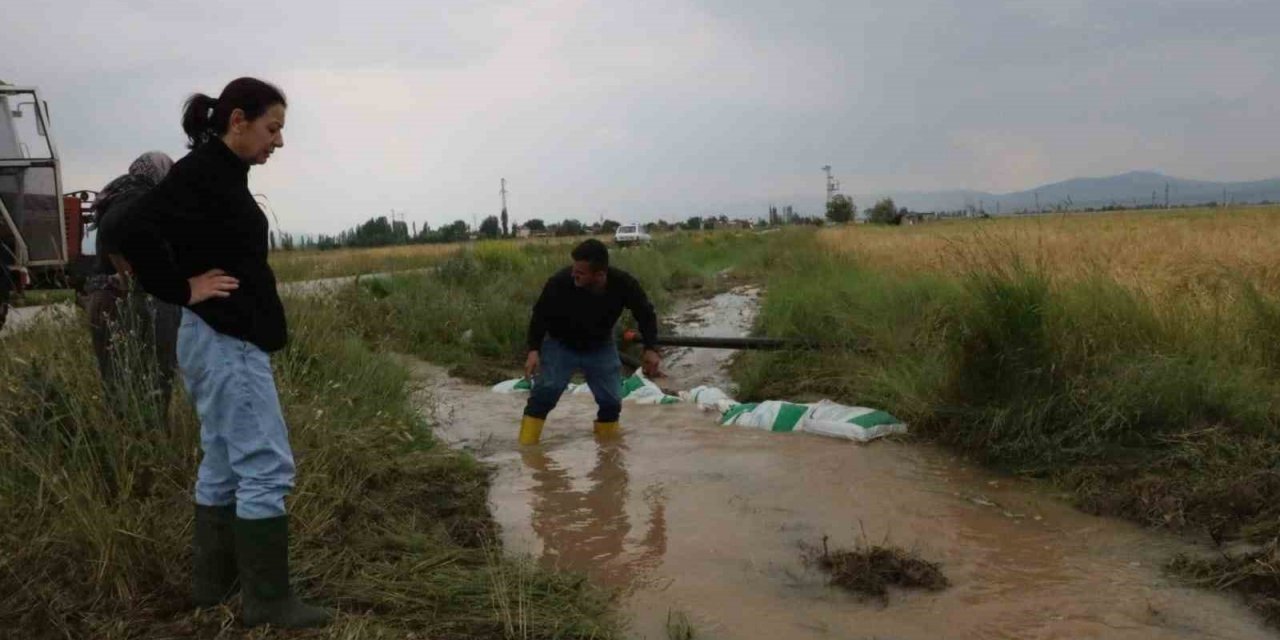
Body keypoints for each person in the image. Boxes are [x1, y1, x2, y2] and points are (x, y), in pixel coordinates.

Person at [119, 77, 330, 628]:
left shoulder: (218, 173)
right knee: (265, 464)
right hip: (227, 342)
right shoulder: (205, 173)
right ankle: (268, 600)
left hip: (215, 339)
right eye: (272, 128)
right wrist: (181, 288)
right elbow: (128, 226)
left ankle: (213, 586)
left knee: (222, 461)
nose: (278, 142)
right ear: (238, 120)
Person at [520, 238, 661, 444]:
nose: (573, 274)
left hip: (600, 346)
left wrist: (650, 348)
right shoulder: (559, 282)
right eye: (574, 269)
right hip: (561, 344)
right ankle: (527, 451)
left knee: (611, 401)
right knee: (546, 393)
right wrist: (533, 350)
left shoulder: (623, 284)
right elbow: (540, 315)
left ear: (600, 274)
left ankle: (608, 456)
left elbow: (645, 313)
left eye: (581, 272)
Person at [85, 151, 179, 427]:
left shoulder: (116, 193)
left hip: (102, 299)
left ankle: (123, 438)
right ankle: (152, 439)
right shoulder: (140, 194)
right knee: (156, 374)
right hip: (133, 300)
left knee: (116, 377)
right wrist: (132, 276)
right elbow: (116, 229)